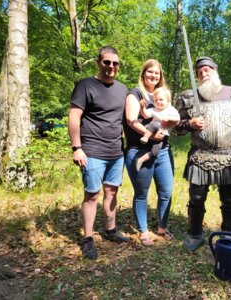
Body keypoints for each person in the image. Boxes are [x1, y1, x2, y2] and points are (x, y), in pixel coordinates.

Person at [174, 56, 231, 251]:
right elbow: (176, 127)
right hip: (199, 156)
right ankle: (194, 234)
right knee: (196, 199)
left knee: (229, 199)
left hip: (228, 157)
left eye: (207, 70)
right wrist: (189, 124)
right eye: (199, 72)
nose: (203, 73)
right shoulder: (189, 97)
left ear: (215, 71)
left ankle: (228, 233)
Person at [68, 46, 130, 260]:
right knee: (92, 194)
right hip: (92, 150)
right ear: (99, 62)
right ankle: (87, 238)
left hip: (116, 151)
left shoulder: (123, 89)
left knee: (112, 192)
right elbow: (74, 116)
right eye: (107, 62)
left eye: (115, 63)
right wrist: (77, 148)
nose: (111, 66)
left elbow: (129, 117)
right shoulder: (85, 85)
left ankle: (111, 230)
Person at [124, 59, 179, 246]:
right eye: (150, 72)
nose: (153, 76)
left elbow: (174, 118)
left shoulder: (162, 95)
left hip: (163, 151)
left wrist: (171, 122)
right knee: (142, 193)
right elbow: (132, 120)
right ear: (143, 73)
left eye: (157, 73)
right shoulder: (135, 93)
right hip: (139, 149)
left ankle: (162, 227)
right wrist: (151, 135)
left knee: (166, 191)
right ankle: (143, 230)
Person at [136, 87, 180, 171]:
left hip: (162, 136)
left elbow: (177, 119)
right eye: (156, 100)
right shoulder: (153, 110)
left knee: (155, 153)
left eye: (161, 100)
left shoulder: (171, 110)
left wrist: (169, 118)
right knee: (155, 124)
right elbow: (145, 115)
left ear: (168, 101)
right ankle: (145, 137)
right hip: (152, 131)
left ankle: (141, 160)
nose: (158, 102)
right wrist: (142, 107)